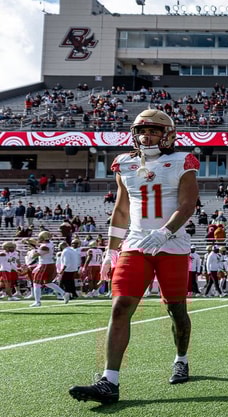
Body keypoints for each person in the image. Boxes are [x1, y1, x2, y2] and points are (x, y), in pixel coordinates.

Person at [69, 108, 200, 405]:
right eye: (142, 130)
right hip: (136, 243)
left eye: (153, 130)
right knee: (120, 306)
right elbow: (122, 209)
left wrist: (165, 232)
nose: (146, 136)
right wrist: (110, 250)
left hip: (172, 244)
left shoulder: (183, 160)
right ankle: (109, 381)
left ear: (167, 135)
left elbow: (188, 203)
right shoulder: (124, 163)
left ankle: (181, 358)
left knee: (176, 310)